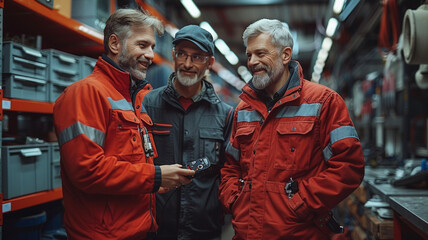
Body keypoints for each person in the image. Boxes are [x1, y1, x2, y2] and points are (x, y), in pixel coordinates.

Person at [53, 8, 194, 240]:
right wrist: (155, 176)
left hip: (137, 229)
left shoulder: (135, 98)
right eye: (142, 45)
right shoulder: (85, 94)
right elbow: (87, 171)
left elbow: (128, 161)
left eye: (152, 47)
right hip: (101, 235)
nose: (150, 55)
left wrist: (153, 184)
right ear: (115, 44)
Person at [219, 19, 365, 240]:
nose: (252, 62)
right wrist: (235, 201)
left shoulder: (324, 102)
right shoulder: (242, 110)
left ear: (285, 55)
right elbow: (230, 166)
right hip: (247, 233)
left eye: (260, 53)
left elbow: (348, 167)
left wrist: (301, 202)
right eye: (249, 55)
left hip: (300, 233)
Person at [143, 25, 234, 240]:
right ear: (173, 55)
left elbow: (229, 171)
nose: (187, 64)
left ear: (210, 63)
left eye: (197, 57)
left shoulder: (225, 114)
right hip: (156, 228)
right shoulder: (148, 104)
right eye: (182, 54)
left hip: (204, 229)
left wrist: (220, 207)